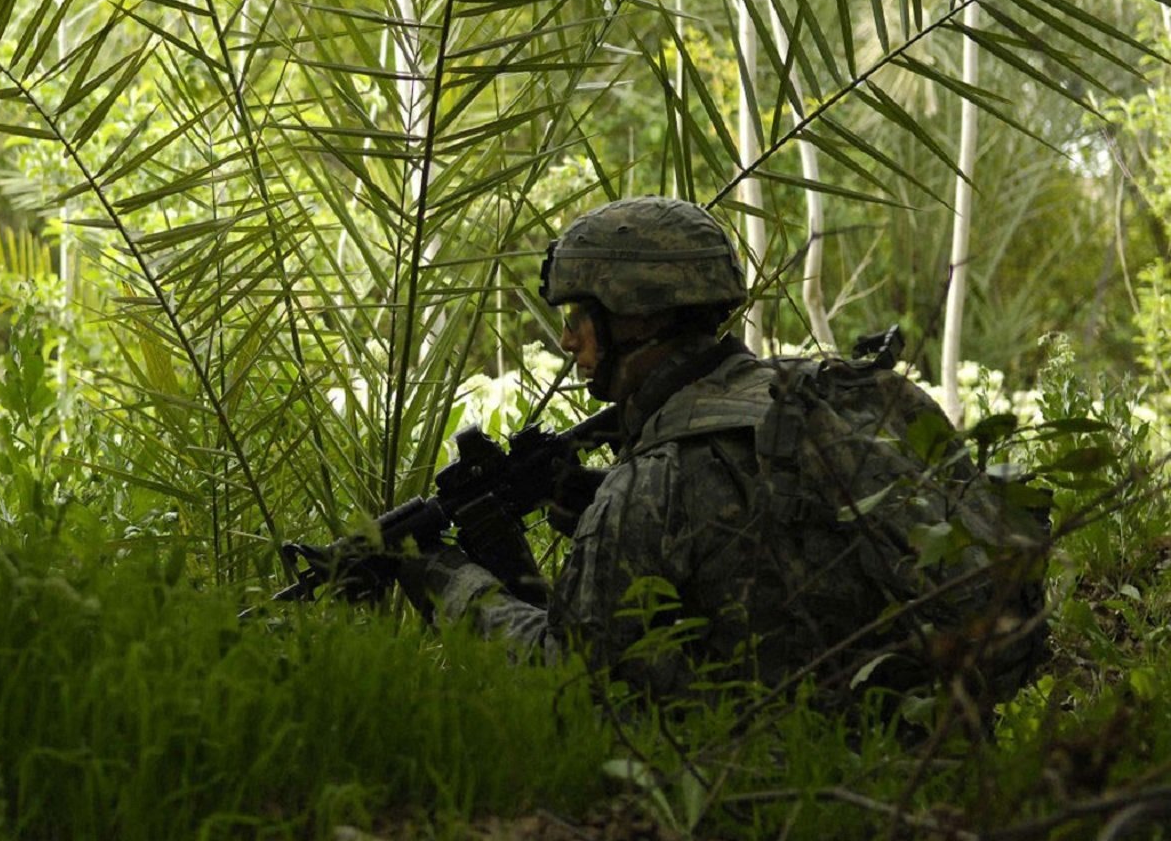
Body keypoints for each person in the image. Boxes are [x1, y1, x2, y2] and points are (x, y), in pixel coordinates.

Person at [401, 196, 1048, 705]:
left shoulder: (652, 485)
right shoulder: (846, 391)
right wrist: (593, 501)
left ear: (634, 317)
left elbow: (569, 674)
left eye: (578, 316)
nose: (569, 340)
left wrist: (444, 576)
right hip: (932, 731)